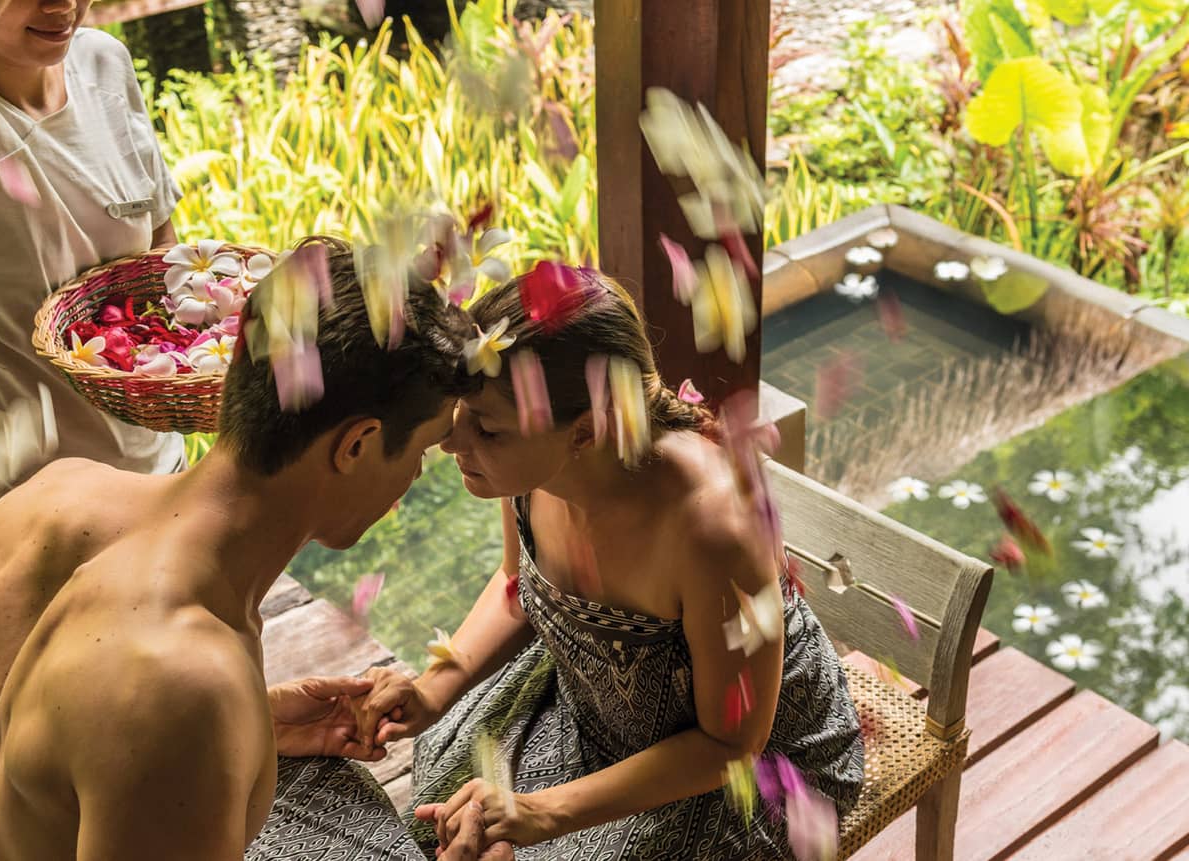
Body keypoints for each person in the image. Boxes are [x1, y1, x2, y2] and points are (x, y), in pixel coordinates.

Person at [0, 238, 508, 860]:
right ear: (357, 445)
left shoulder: (43, 504)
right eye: (423, 451)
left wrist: (250, 729)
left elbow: (33, 754)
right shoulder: (185, 688)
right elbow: (141, 708)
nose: (417, 477)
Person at [358, 268, 865, 858]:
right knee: (448, 789)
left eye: (488, 430)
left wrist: (542, 813)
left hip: (739, 766)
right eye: (461, 415)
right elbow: (519, 587)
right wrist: (431, 692)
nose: (451, 443)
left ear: (586, 431)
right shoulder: (532, 472)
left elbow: (730, 744)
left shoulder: (715, 529)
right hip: (594, 708)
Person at [0, 0, 187, 589]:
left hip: (156, 480)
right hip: (13, 507)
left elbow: (161, 263)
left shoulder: (104, 63)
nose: (62, 4)